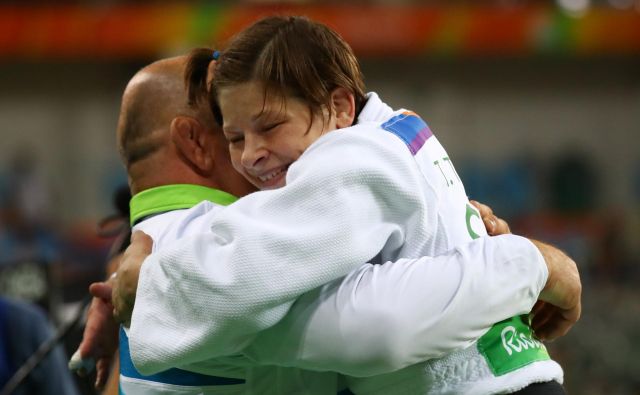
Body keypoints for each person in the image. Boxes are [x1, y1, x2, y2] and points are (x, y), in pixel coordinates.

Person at [116, 27, 580, 392]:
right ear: (198, 142)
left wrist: (151, 285)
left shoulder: (355, 159)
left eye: (270, 126)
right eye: (234, 137)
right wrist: (533, 264)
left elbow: (370, 321)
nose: (252, 154)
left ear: (339, 106)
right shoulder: (395, 134)